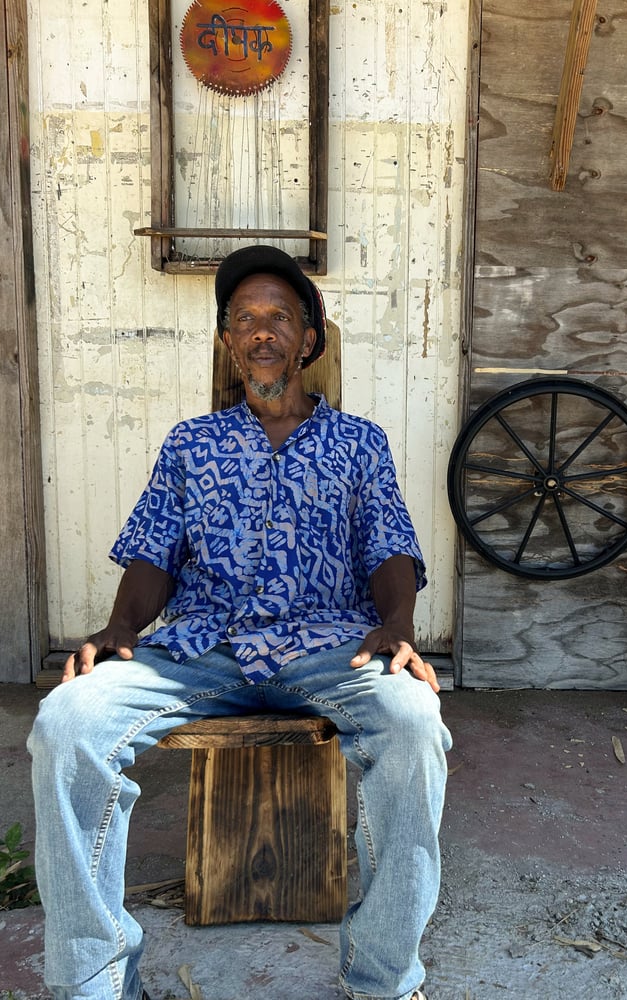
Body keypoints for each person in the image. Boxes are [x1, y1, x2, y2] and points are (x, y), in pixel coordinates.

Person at [28, 245, 452, 1000]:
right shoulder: (193, 443)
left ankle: (384, 977)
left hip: (331, 648)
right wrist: (121, 626)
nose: (262, 332)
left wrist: (397, 624)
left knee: (415, 724)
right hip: (203, 648)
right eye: (245, 320)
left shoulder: (360, 443)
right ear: (228, 342)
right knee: (66, 724)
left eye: (279, 318)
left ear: (308, 339)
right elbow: (155, 552)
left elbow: (390, 544)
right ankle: (92, 981)